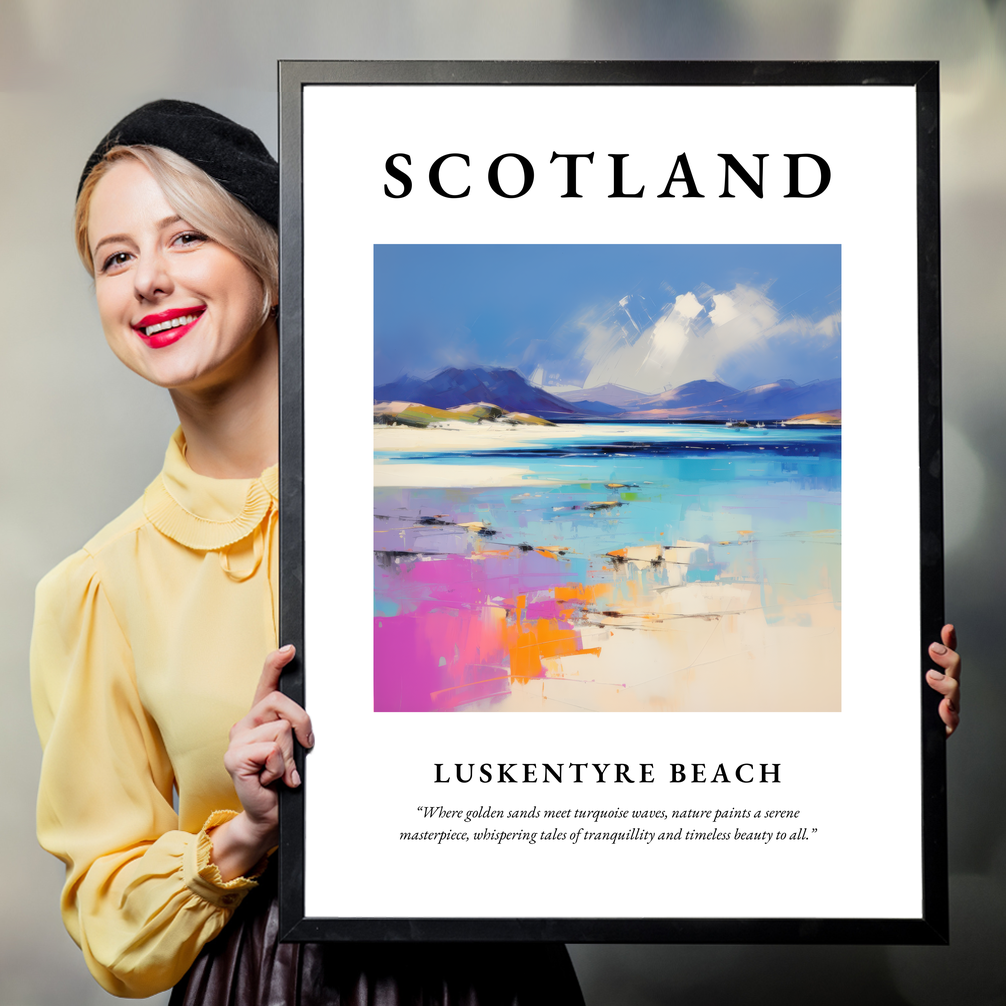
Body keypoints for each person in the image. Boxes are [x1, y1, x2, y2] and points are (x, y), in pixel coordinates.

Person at [30, 100, 586, 1004]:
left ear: (272, 263)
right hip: (262, 982)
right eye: (116, 257)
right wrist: (245, 832)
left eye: (185, 238)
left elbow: (615, 698)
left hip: (492, 973)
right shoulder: (97, 587)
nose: (148, 281)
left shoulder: (453, 498)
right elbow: (110, 922)